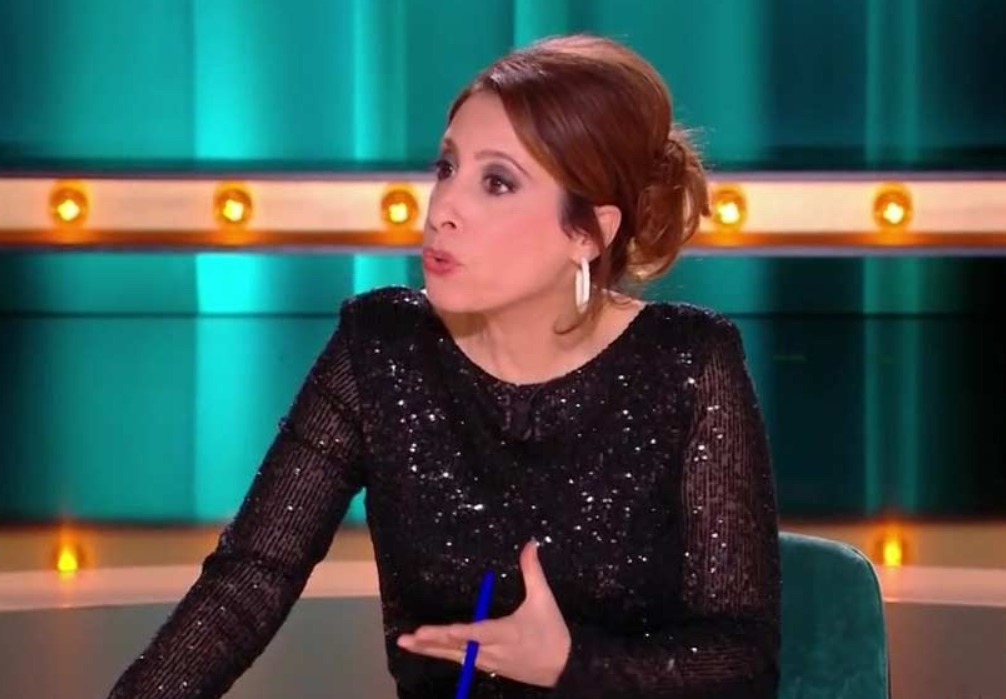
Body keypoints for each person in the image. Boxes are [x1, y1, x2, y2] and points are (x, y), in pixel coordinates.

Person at [106, 32, 781, 699]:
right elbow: (246, 585)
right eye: (446, 168)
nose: (446, 209)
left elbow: (742, 657)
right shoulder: (381, 348)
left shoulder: (687, 362)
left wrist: (571, 663)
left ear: (587, 232)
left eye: (497, 182)